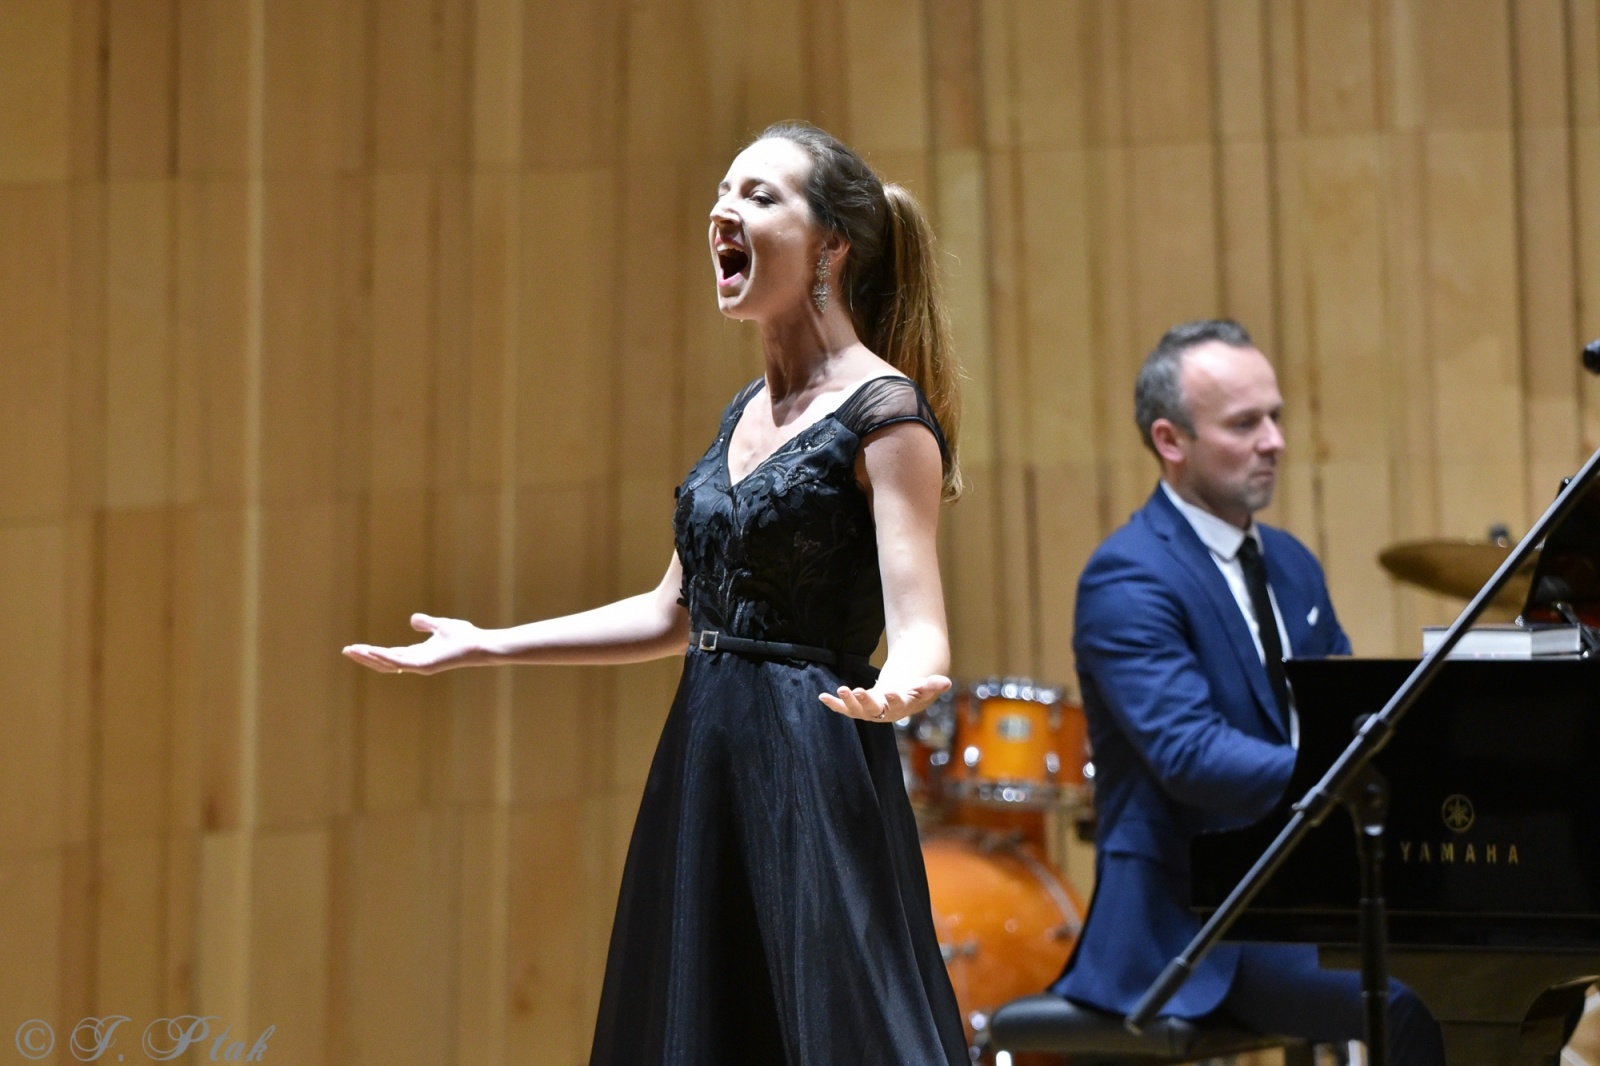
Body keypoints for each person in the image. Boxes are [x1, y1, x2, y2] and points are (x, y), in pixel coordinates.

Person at [344, 122, 969, 1065]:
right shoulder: (741, 413)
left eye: (761, 196)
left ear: (831, 244)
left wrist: (904, 685)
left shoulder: (887, 416)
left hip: (809, 753)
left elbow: (921, 628)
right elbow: (675, 614)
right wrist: (487, 642)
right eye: (723, 191)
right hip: (706, 749)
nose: (725, 209)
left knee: (833, 1029)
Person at [1052, 320, 1446, 1063]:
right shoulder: (1128, 576)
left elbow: (1345, 712)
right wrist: (1352, 776)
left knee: (1496, 973)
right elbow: (1191, 757)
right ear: (1172, 441)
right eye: (1245, 423)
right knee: (1419, 997)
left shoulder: (1291, 562)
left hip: (1301, 897)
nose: (1275, 441)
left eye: (1276, 416)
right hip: (1199, 926)